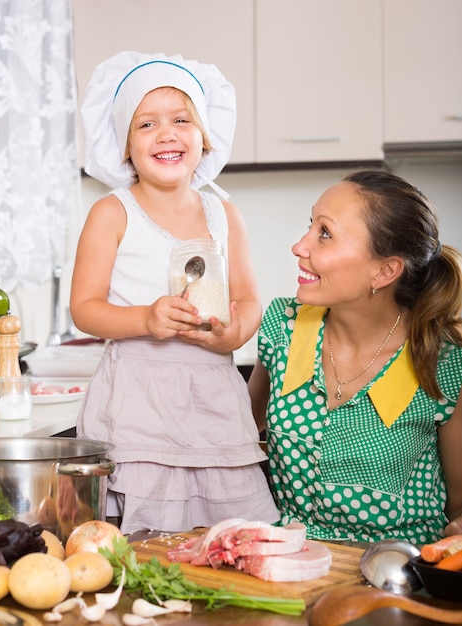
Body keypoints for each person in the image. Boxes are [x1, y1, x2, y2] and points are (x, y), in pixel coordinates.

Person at [70, 51, 278, 533]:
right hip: (139, 402)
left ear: (204, 138)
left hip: (214, 400)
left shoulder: (224, 215)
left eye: (181, 120)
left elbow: (248, 301)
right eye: (146, 125)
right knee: (148, 540)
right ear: (124, 147)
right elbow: (84, 308)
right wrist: (145, 319)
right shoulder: (112, 212)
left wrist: (232, 336)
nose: (166, 134)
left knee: (230, 536)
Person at [248, 169, 462, 544]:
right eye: (310, 226)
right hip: (289, 568)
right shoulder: (283, 328)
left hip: (397, 575)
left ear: (385, 270)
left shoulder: (443, 360)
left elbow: (461, 506)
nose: (300, 246)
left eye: (325, 234)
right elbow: (236, 445)